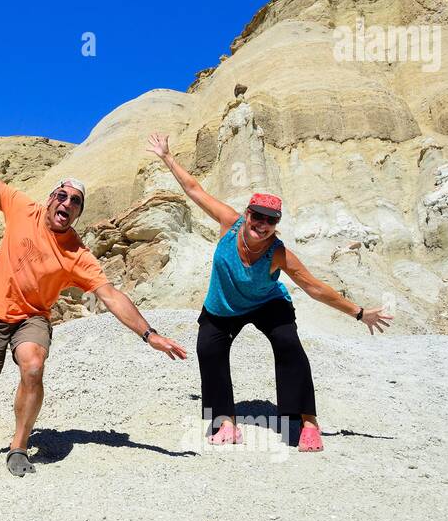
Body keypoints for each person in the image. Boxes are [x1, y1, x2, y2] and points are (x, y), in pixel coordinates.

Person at [0, 106, 188, 478]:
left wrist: (149, 334)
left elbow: (111, 296)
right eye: (63, 195)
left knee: (34, 364)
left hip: (31, 317)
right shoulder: (21, 207)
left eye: (76, 202)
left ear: (77, 214)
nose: (67, 203)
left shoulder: (78, 254)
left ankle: (19, 446)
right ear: (51, 197)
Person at [146, 131, 393, 452]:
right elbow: (194, 189)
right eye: (256, 216)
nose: (261, 224)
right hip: (221, 308)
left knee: (288, 344)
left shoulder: (278, 253)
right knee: (209, 350)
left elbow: (314, 288)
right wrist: (167, 157)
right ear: (247, 214)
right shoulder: (229, 222)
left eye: (270, 220)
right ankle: (225, 422)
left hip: (267, 304)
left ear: (276, 225)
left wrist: (360, 313)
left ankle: (308, 424)